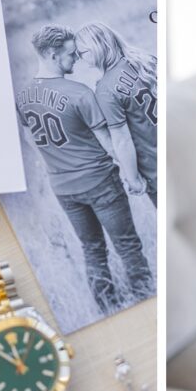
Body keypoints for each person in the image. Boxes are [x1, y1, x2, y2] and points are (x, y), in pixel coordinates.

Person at [16, 24, 154, 313]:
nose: (76, 59)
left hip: (63, 189)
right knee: (127, 245)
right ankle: (144, 299)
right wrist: (133, 176)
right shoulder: (80, 93)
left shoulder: (24, 96)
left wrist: (54, 162)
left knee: (92, 249)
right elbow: (109, 140)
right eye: (70, 54)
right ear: (53, 55)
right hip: (100, 182)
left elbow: (30, 139)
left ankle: (107, 306)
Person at [74, 22, 158, 206]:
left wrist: (133, 178)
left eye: (82, 53)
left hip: (155, 169)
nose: (80, 59)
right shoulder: (145, 61)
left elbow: (122, 140)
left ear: (96, 48)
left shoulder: (105, 89)